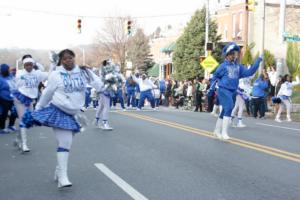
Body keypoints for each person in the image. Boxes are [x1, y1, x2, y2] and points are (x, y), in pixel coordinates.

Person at [32, 49, 103, 188]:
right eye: (64, 59)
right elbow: (48, 93)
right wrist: (39, 107)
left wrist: (92, 74)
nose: (68, 61)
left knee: (67, 143)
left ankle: (59, 171)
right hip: (58, 111)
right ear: (61, 61)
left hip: (75, 114)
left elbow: (98, 85)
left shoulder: (82, 72)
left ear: (74, 58)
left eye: (70, 58)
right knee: (65, 142)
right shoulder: (56, 75)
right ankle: (63, 178)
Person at [210, 42, 262, 140]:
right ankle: (224, 133)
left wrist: (258, 61)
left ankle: (216, 131)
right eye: (231, 53)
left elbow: (249, 72)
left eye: (234, 53)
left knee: (225, 111)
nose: (233, 55)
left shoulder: (238, 67)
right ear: (226, 55)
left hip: (233, 91)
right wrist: (211, 88)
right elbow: (215, 77)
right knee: (229, 107)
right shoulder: (222, 66)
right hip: (224, 90)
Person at [13, 57, 48, 152]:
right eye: (26, 65)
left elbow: (49, 75)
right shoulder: (20, 74)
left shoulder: (37, 73)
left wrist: (52, 64)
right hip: (20, 99)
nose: (28, 66)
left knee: (29, 122)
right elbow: (15, 87)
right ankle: (24, 144)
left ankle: (18, 138)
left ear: (33, 65)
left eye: (30, 64)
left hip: (31, 100)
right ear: (24, 65)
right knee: (24, 120)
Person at [0, 64, 14, 134]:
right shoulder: (0, 79)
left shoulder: (11, 76)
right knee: (4, 113)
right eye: (8, 69)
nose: (9, 70)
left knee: (14, 112)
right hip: (3, 99)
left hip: (12, 98)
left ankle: (11, 126)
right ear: (4, 71)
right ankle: (2, 128)